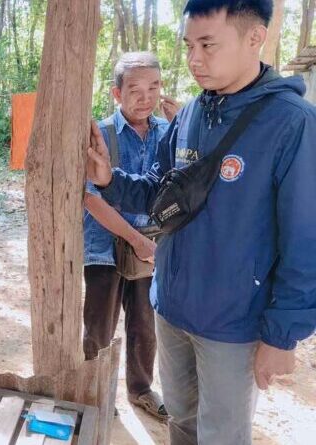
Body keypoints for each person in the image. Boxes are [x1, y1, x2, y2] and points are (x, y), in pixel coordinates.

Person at [86, 1, 316, 443]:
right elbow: (160, 194)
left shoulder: (292, 123)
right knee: (181, 422)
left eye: (208, 45)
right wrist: (109, 180)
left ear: (255, 38)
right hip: (172, 309)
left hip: (233, 324)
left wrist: (282, 336)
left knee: (221, 435)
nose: (194, 59)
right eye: (189, 45)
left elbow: (305, 240)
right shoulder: (191, 114)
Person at [83, 52, 177, 421]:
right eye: (135, 89)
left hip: (152, 248)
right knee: (99, 327)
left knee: (145, 326)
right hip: (104, 247)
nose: (146, 97)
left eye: (154, 87)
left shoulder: (169, 133)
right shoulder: (100, 133)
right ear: (117, 93)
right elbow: (90, 197)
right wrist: (136, 241)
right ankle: (95, 395)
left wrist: (184, 127)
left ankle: (141, 390)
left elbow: (176, 189)